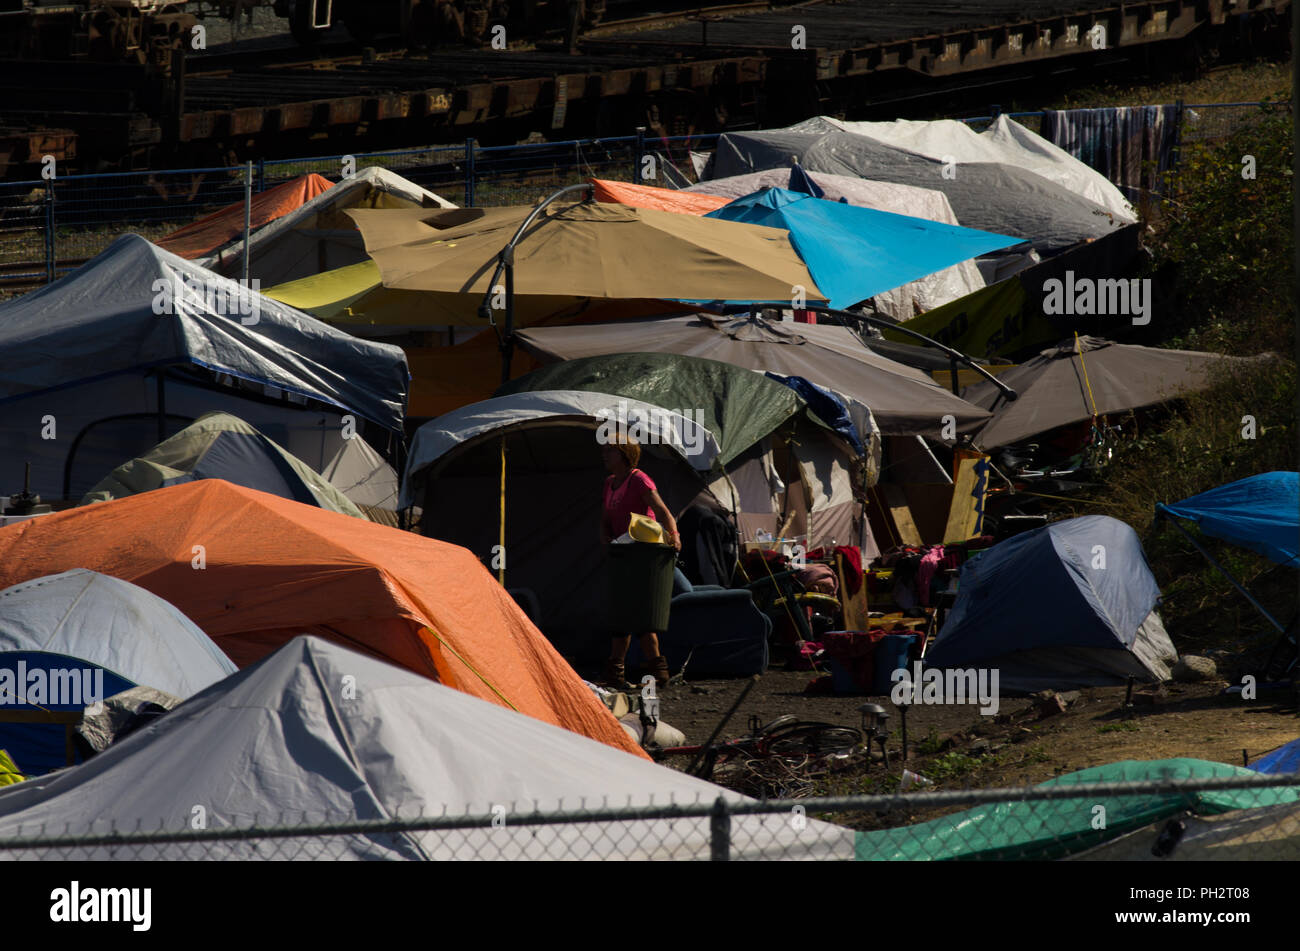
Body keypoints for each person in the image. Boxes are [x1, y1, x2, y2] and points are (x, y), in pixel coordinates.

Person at [599, 435, 679, 690]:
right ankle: (615, 674)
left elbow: (663, 511)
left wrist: (674, 536)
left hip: (645, 553)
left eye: (611, 451)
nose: (605, 455)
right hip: (623, 554)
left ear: (624, 454)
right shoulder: (610, 483)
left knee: (643, 616)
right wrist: (604, 535)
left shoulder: (639, 479)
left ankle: (659, 672)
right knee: (621, 615)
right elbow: (605, 517)